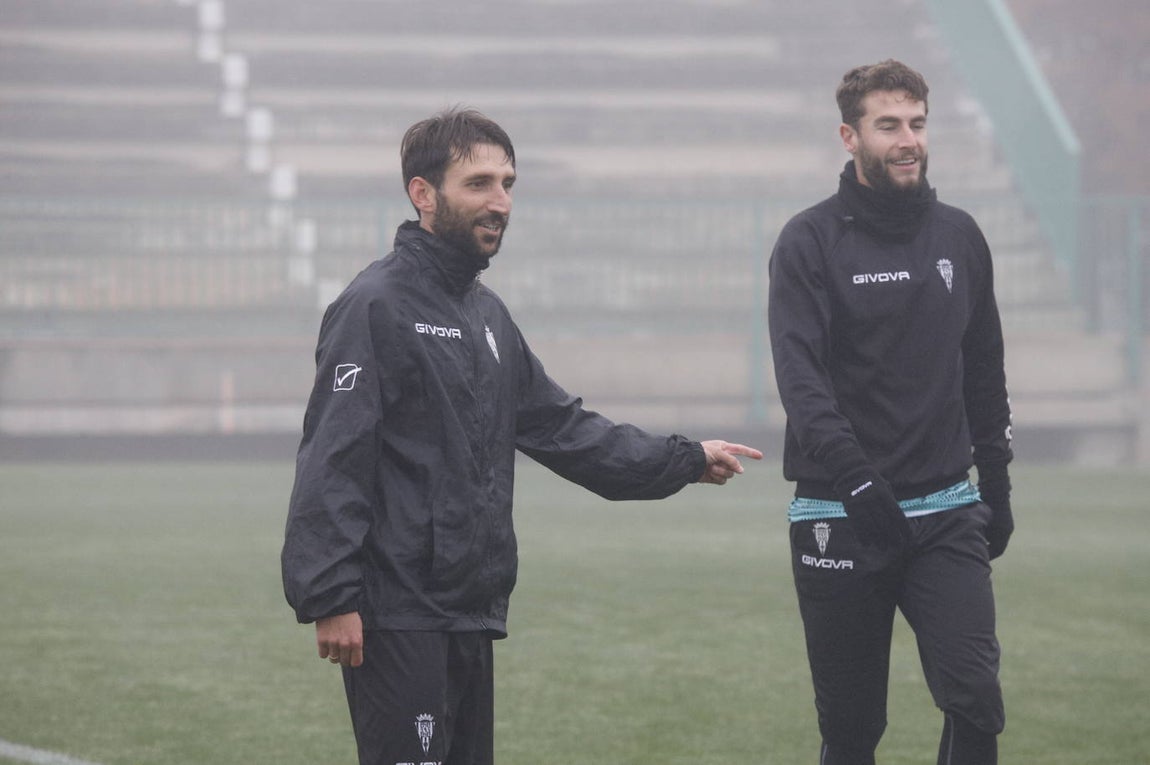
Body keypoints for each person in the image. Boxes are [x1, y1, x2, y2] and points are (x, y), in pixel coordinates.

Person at [281, 107, 762, 765]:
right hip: (397, 610)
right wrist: (329, 593)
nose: (500, 201)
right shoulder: (376, 305)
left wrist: (680, 459)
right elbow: (334, 452)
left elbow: (561, 427)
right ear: (423, 193)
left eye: (508, 183)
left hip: (470, 608)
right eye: (479, 183)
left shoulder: (487, 316)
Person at [767, 60, 1014, 765]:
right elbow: (801, 382)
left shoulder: (960, 237)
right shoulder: (809, 241)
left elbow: (986, 369)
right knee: (851, 729)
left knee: (976, 699)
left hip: (945, 509)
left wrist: (996, 483)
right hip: (838, 512)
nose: (907, 139)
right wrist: (857, 480)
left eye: (917, 123)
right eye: (888, 125)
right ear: (850, 135)